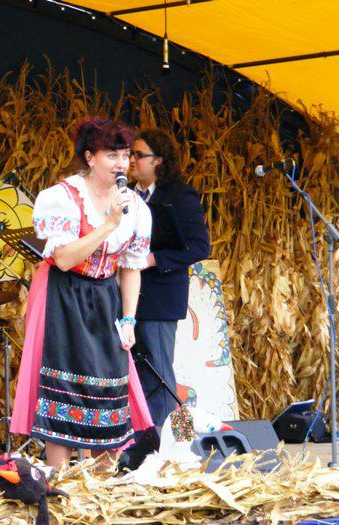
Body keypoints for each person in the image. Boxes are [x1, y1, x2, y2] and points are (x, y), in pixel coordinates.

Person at [10, 117, 152, 468]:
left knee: (109, 381)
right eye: (111, 155)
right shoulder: (62, 198)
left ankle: (103, 479)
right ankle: (60, 478)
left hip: (104, 296)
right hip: (63, 294)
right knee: (63, 381)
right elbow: (62, 258)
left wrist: (129, 319)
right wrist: (109, 224)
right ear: (90, 157)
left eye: (125, 156)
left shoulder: (136, 207)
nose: (121, 164)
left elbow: (130, 267)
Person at [128, 129, 210, 428]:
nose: (131, 160)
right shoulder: (126, 196)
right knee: (134, 371)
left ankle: (166, 440)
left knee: (158, 370)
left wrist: (154, 259)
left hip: (159, 297)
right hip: (126, 297)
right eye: (130, 154)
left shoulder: (179, 195)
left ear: (159, 160)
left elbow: (199, 246)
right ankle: (138, 438)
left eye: (139, 155)